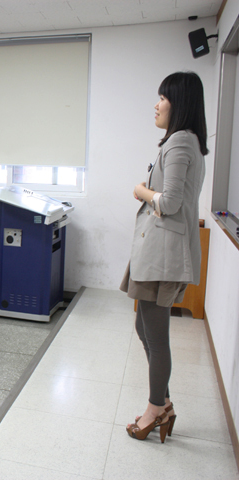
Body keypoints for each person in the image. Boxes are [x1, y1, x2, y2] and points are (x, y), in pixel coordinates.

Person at [121, 72, 208, 442]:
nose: (156, 105)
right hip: (157, 250)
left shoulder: (180, 142)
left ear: (179, 102)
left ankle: (156, 408)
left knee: (155, 336)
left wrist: (142, 191)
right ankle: (164, 402)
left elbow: (169, 202)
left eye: (162, 98)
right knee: (145, 329)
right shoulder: (184, 141)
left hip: (164, 254)